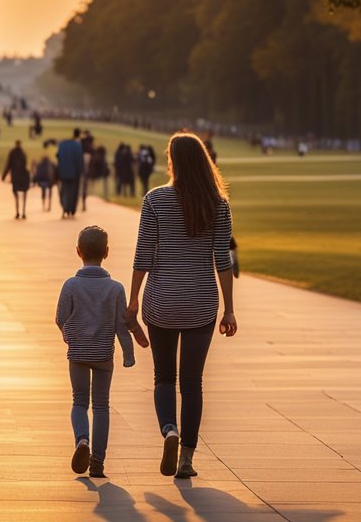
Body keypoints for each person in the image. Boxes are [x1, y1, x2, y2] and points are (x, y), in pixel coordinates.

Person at [126, 132, 236, 480]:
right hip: (201, 301)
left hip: (162, 301)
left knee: (163, 377)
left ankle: (169, 430)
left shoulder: (156, 200)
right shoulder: (217, 204)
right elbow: (223, 259)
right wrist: (229, 309)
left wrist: (132, 300)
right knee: (192, 383)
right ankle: (187, 457)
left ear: (172, 160)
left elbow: (143, 254)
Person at [55, 226, 146, 479]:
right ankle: (98, 462)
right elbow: (121, 325)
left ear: (78, 252)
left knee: (79, 402)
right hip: (104, 354)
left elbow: (60, 317)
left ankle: (81, 440)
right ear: (106, 252)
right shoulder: (115, 288)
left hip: (79, 353)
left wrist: (69, 337)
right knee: (102, 406)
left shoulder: (71, 285)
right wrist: (128, 354)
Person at [57, 129, 86, 218]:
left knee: (64, 190)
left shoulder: (62, 145)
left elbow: (58, 158)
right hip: (74, 173)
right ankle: (71, 210)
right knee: (73, 192)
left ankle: (65, 208)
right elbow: (79, 160)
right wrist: (81, 171)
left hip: (63, 172)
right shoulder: (77, 145)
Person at [1, 139, 31, 219]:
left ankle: (18, 212)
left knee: (16, 195)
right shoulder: (23, 153)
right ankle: (23, 212)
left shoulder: (12, 153)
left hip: (15, 176)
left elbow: (8, 165)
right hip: (23, 176)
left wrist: (3, 176)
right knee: (24, 195)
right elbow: (25, 165)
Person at [33, 143, 57, 212]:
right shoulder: (51, 164)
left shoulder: (40, 164)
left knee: (43, 192)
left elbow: (37, 174)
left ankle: (44, 205)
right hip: (50, 181)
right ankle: (49, 205)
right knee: (49, 193)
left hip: (43, 182)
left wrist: (35, 181)